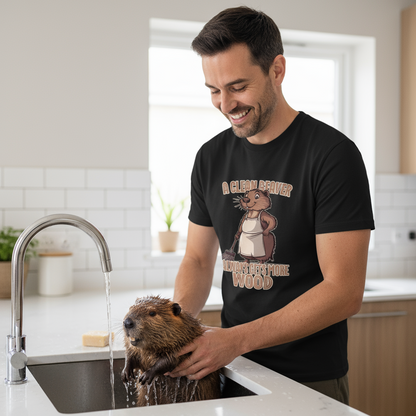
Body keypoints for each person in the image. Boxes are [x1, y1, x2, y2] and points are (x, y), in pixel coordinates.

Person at [167, 6, 375, 404]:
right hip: (232, 370)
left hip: (309, 380)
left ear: (276, 70)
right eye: (213, 90)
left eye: (238, 86)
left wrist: (235, 340)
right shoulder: (209, 158)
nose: (225, 104)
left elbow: (344, 291)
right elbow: (196, 259)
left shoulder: (332, 155)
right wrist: (175, 328)